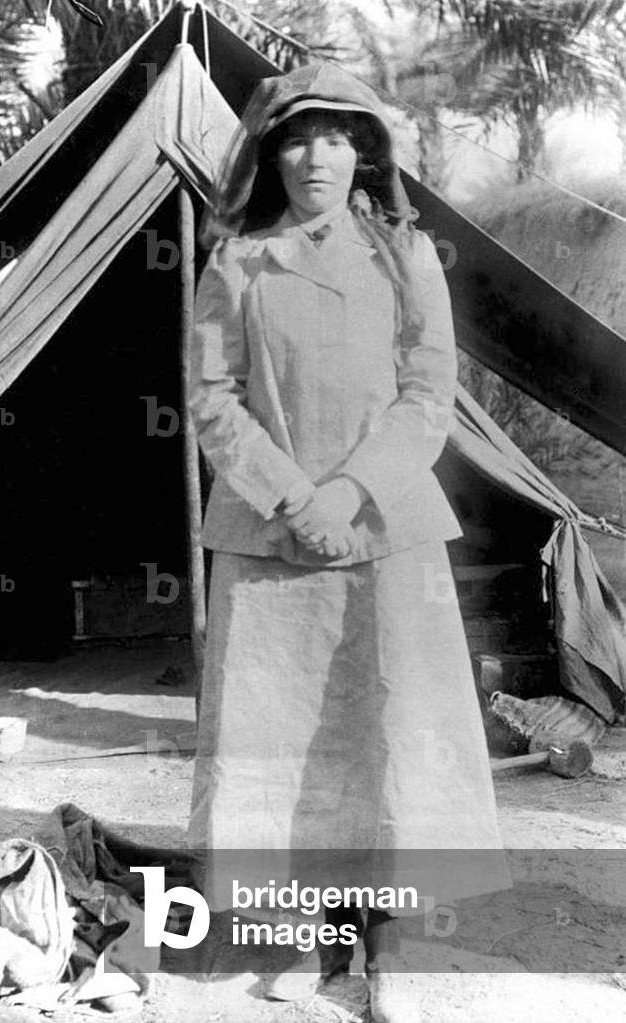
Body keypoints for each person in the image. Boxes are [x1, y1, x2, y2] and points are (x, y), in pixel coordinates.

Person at [187, 63, 509, 1022]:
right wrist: (294, 497)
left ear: (363, 150)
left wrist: (349, 490)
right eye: (294, 138)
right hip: (269, 535)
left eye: (335, 137)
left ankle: (385, 947)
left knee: (390, 734)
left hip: (385, 527)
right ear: (269, 154)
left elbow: (428, 392)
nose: (314, 156)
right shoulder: (234, 261)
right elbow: (211, 399)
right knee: (276, 737)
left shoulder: (404, 254)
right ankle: (292, 935)